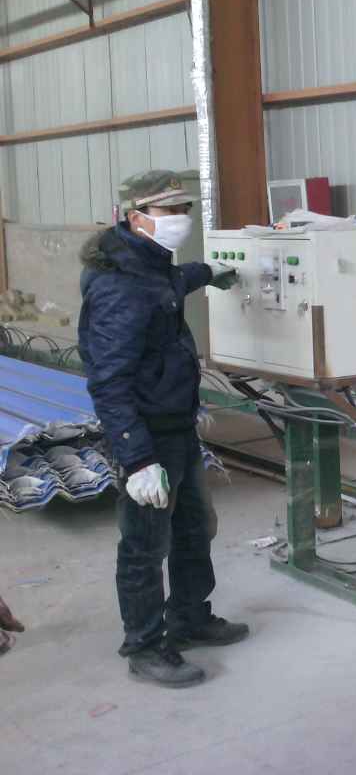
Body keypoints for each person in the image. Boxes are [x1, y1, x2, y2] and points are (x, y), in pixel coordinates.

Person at [78, 171, 243, 688]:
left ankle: (190, 617)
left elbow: (172, 282)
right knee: (145, 544)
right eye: (168, 211)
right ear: (136, 218)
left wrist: (211, 270)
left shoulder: (150, 264)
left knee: (194, 528)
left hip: (178, 424)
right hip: (148, 435)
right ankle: (145, 647)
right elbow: (108, 382)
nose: (180, 219)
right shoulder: (119, 286)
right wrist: (137, 460)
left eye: (184, 209)